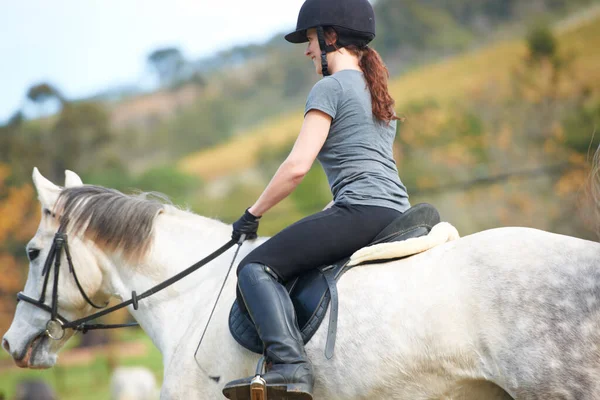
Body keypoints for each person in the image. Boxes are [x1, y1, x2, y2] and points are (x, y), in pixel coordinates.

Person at [222, 0, 410, 398]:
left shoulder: (328, 88)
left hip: (361, 210)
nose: (307, 51)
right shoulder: (375, 90)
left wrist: (252, 214)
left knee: (255, 267)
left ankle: (289, 368)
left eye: (309, 40)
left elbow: (295, 167)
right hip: (396, 210)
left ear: (330, 37)